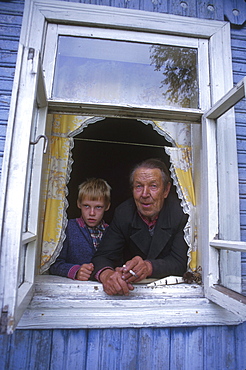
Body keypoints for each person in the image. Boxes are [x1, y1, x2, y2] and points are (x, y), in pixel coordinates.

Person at [92, 158, 188, 295]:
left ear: (166, 190)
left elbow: (180, 262)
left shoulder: (180, 213)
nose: (144, 194)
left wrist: (148, 267)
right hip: (130, 293)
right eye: (139, 186)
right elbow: (102, 256)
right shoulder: (124, 213)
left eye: (153, 186)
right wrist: (107, 275)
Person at [49, 178, 111, 280]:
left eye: (98, 207)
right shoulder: (68, 228)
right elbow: (53, 265)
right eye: (86, 206)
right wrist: (75, 271)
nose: (92, 213)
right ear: (78, 204)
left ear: (107, 206)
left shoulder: (111, 232)